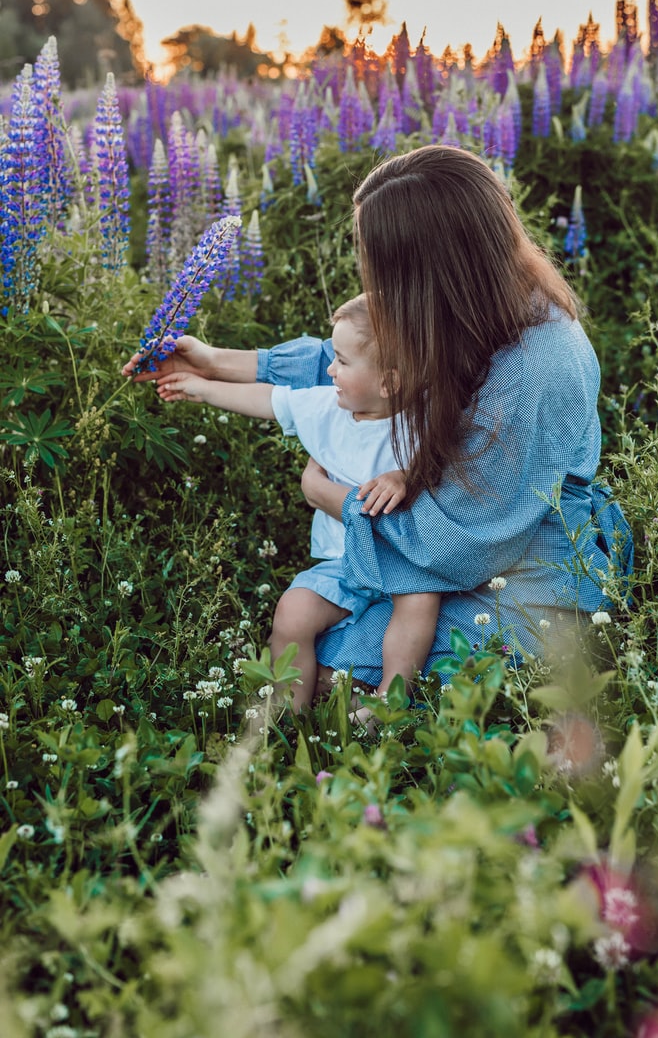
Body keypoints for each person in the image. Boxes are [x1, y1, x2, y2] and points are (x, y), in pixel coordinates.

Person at [123, 145, 632, 697]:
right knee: (314, 643)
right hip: (458, 544)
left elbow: (458, 546)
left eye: (384, 269)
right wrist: (216, 361)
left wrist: (333, 499)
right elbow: (368, 361)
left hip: (525, 574)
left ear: (432, 269)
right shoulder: (485, 306)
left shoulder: (533, 369)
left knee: (333, 672)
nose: (377, 287)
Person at [150, 293, 440, 711]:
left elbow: (450, 464)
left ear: (389, 382)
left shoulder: (424, 421)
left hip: (401, 559)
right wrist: (200, 388)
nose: (329, 369)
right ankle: (287, 718)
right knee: (292, 612)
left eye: (341, 360)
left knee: (420, 603)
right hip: (341, 563)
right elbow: (268, 400)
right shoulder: (327, 408)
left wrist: (406, 476)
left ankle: (388, 702)